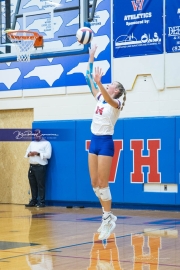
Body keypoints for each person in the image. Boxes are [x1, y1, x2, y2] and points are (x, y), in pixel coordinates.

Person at [86, 45, 126, 240]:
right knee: (94, 184)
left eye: (111, 84)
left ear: (116, 90)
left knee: (103, 182)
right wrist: (91, 58)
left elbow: (109, 99)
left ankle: (107, 217)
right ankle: (107, 216)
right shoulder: (100, 95)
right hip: (93, 141)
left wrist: (100, 83)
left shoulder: (118, 104)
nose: (108, 85)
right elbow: (88, 79)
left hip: (106, 143)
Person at [24, 129, 52, 208]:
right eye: (35, 135)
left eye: (38, 134)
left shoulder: (46, 143)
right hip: (32, 166)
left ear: (41, 135)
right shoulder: (32, 143)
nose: (37, 136)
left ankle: (41, 202)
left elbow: (48, 155)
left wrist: (38, 153)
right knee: (32, 184)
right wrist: (30, 154)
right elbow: (26, 153)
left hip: (40, 166)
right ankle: (33, 200)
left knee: (40, 185)